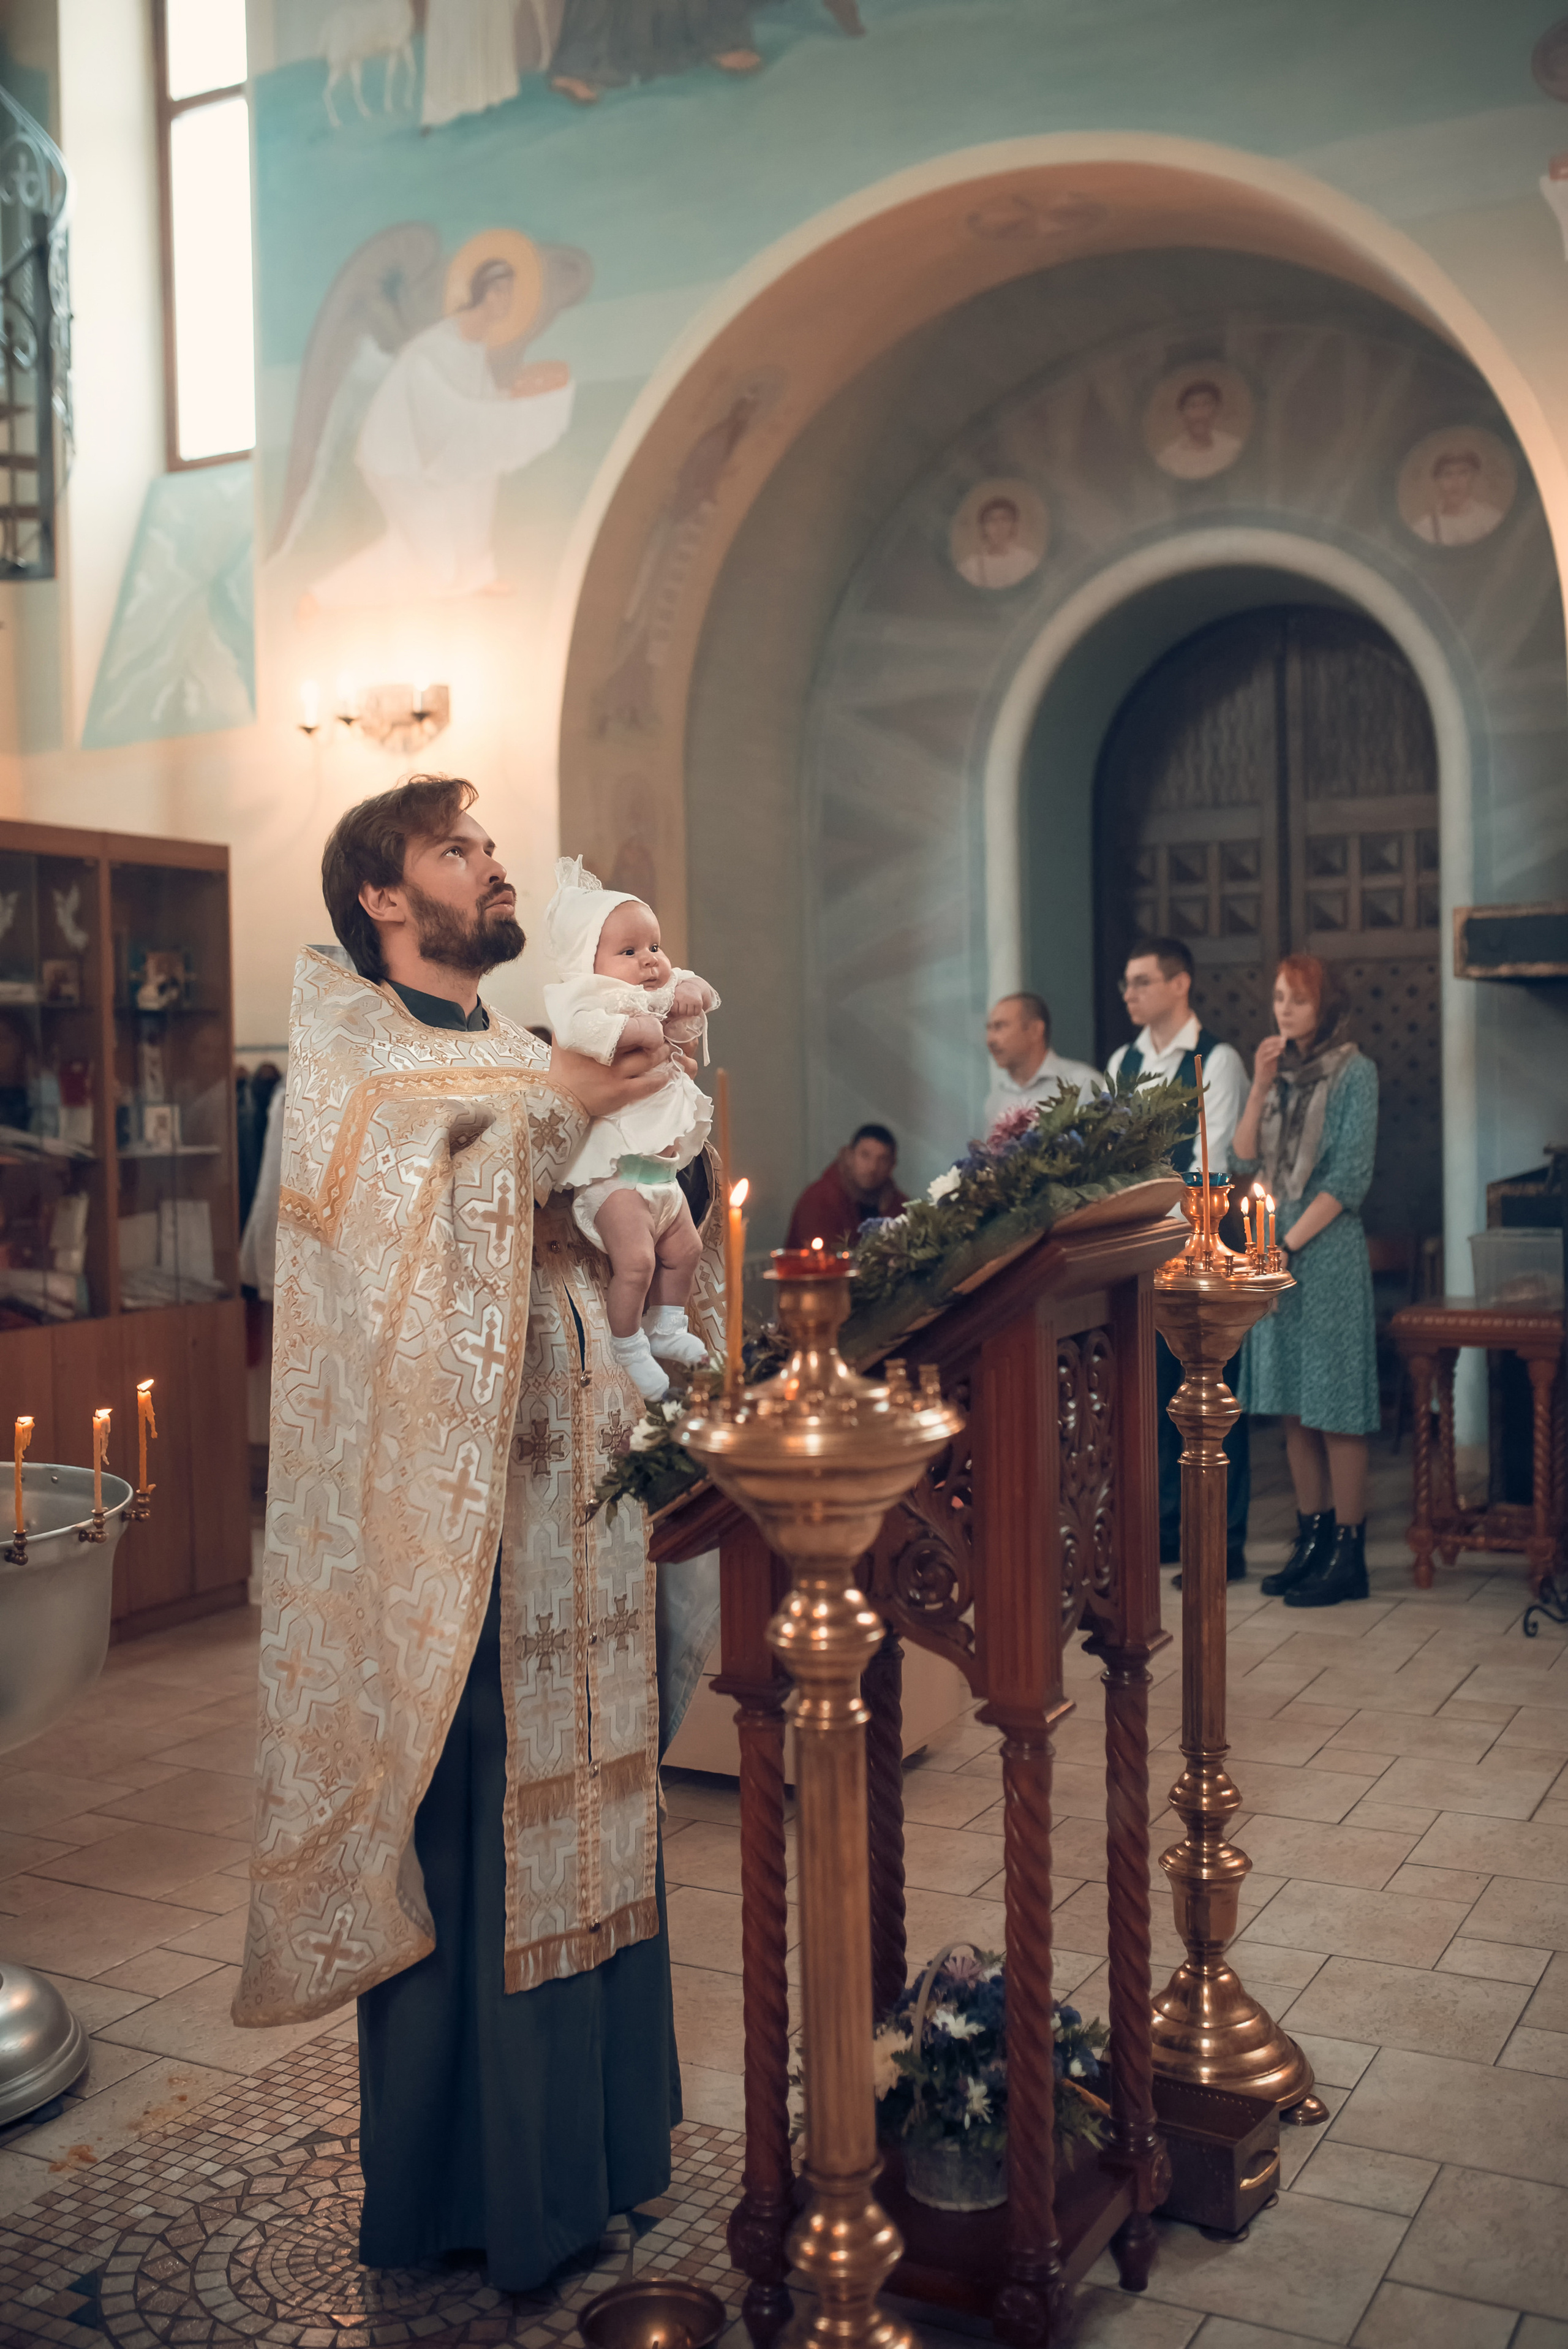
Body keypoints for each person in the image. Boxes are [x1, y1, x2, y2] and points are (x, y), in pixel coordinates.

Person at [233, 774, 695, 2288]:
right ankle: (484, 2192)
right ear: (384, 895)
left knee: (598, 1805)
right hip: (461, 1545)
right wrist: (563, 1107)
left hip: (579, 1510)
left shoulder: (516, 1045)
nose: (494, 869)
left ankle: (606, 2161)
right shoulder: (349, 1064)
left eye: (491, 850)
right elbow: (396, 1200)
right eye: (458, 850)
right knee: (484, 1829)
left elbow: (579, 1169)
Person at [1229, 955, 1379, 1609]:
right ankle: (1310, 1542)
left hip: (1324, 1250)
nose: (1283, 1009)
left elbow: (1348, 1179)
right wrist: (1260, 1084)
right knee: (1292, 1402)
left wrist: (1286, 1244)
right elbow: (1241, 1154)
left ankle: (1350, 1554)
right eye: (1278, 998)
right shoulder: (1282, 1077)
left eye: (1296, 998)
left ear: (1327, 1002)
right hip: (1277, 1246)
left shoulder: (1356, 1072)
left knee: (1335, 1406)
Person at [301, 258, 574, 614]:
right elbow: (443, 410)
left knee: (479, 476)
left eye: (511, 293)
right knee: (429, 561)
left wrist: (520, 398)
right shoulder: (435, 349)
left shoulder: (475, 344)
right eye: (502, 292)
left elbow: (477, 401)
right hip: (396, 460)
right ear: (485, 295)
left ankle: (477, 575)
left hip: (430, 454)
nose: (508, 302)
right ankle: (319, 597)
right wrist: (499, 415)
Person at [543, 856, 720, 1401]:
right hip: (615, 1180)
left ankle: (665, 1327)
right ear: (587, 963)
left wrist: (687, 996)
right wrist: (644, 1020)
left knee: (684, 1252)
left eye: (654, 947)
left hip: (660, 1175)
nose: (649, 961)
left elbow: (698, 1004)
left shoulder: (658, 987)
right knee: (638, 1262)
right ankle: (629, 1345)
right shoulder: (585, 999)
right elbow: (587, 1032)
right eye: (628, 951)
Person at [1106, 938, 1251, 1579]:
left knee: (1212, 1397)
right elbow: (1114, 1152)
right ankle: (1167, 1527)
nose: (1129, 994)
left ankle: (1222, 1540)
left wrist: (1151, 1211)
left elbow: (1211, 1160)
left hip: (1200, 1245)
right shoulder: (1125, 1058)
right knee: (1157, 1396)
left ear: (1179, 985)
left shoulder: (1216, 1060)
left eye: (1141, 982)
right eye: (1126, 985)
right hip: (1141, 1247)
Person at [983, 991, 1099, 1129]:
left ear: (1035, 1030)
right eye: (989, 1029)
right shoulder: (996, 1100)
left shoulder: (1083, 1085)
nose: (990, 1040)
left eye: (1000, 1027)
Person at [786, 1123, 905, 1249]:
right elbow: (825, 1260)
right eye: (865, 1155)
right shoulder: (820, 1199)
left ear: (892, 1165)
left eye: (883, 1159)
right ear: (849, 1156)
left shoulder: (899, 1206)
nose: (873, 1167)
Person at [1411, 447, 1504, 547]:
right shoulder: (1424, 528)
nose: (1456, 481)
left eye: (1463, 473)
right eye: (1447, 474)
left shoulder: (1492, 520)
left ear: (1473, 478)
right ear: (1437, 481)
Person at [1157, 377, 1243, 480]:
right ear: (1182, 413)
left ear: (1216, 410)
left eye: (1206, 405)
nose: (1200, 414)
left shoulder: (1235, 450)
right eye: (1192, 406)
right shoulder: (1167, 459)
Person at [959, 496, 1038, 590]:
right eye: (992, 520)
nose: (999, 526)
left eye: (1005, 519)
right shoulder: (971, 567)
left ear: (1013, 525)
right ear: (983, 528)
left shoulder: (1028, 561)